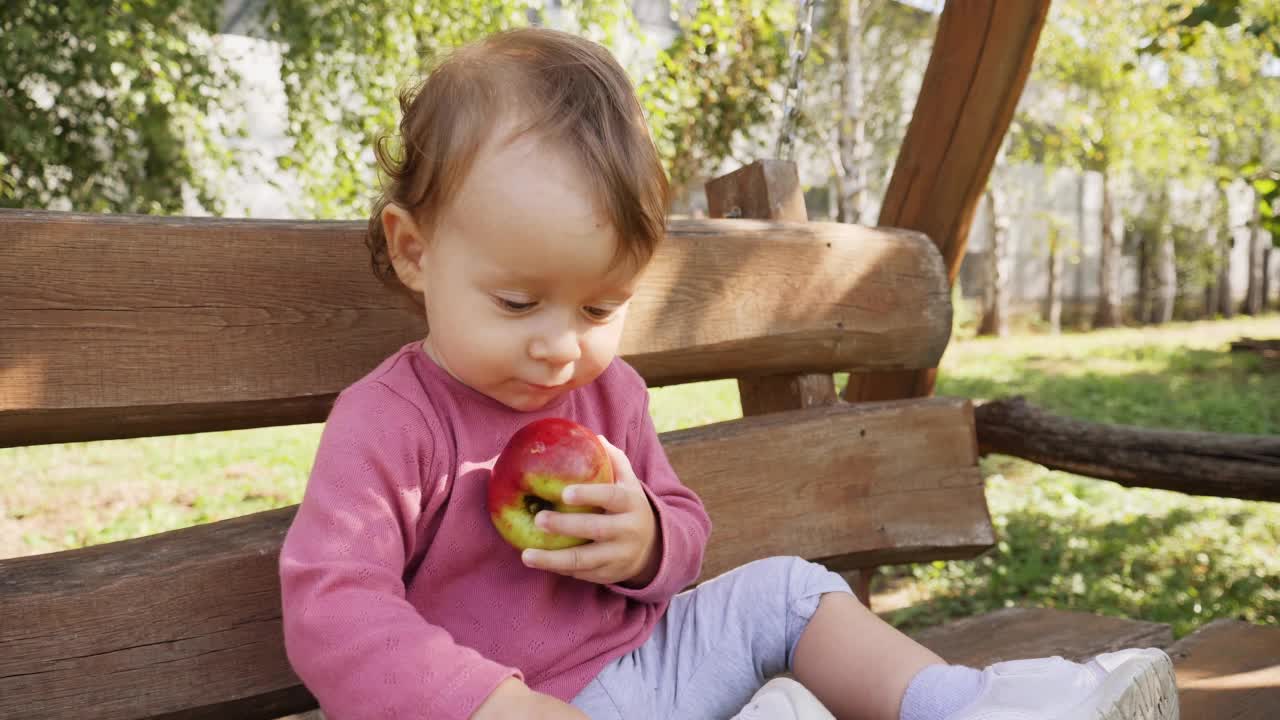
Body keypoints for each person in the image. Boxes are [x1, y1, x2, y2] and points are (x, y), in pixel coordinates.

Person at [278, 27, 1179, 720]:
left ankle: (969, 705)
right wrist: (494, 705)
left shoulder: (607, 394)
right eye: (518, 304)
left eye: (599, 309)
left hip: (647, 672)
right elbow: (334, 608)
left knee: (787, 590)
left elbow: (685, 532)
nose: (561, 347)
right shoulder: (392, 421)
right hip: (505, 706)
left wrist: (645, 544)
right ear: (413, 250)